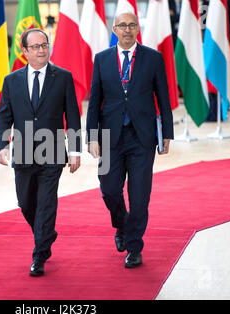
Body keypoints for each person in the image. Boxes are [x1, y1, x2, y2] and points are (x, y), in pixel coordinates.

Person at [86, 12, 174, 268]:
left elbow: (164, 99)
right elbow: (93, 102)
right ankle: (121, 224)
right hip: (108, 135)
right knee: (109, 189)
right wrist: (92, 137)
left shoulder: (153, 58)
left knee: (139, 197)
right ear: (114, 29)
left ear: (138, 28)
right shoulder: (101, 59)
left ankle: (134, 247)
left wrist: (166, 133)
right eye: (122, 25)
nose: (127, 29)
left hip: (142, 138)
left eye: (132, 25)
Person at [0, 29, 81, 277]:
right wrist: (2, 146)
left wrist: (75, 150)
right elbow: (4, 117)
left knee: (46, 203)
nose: (42, 50)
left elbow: (73, 116)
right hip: (22, 153)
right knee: (25, 203)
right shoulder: (11, 81)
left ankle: (39, 254)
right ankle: (47, 233)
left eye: (45, 44)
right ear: (24, 52)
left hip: (52, 151)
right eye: (35, 46)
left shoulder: (63, 78)